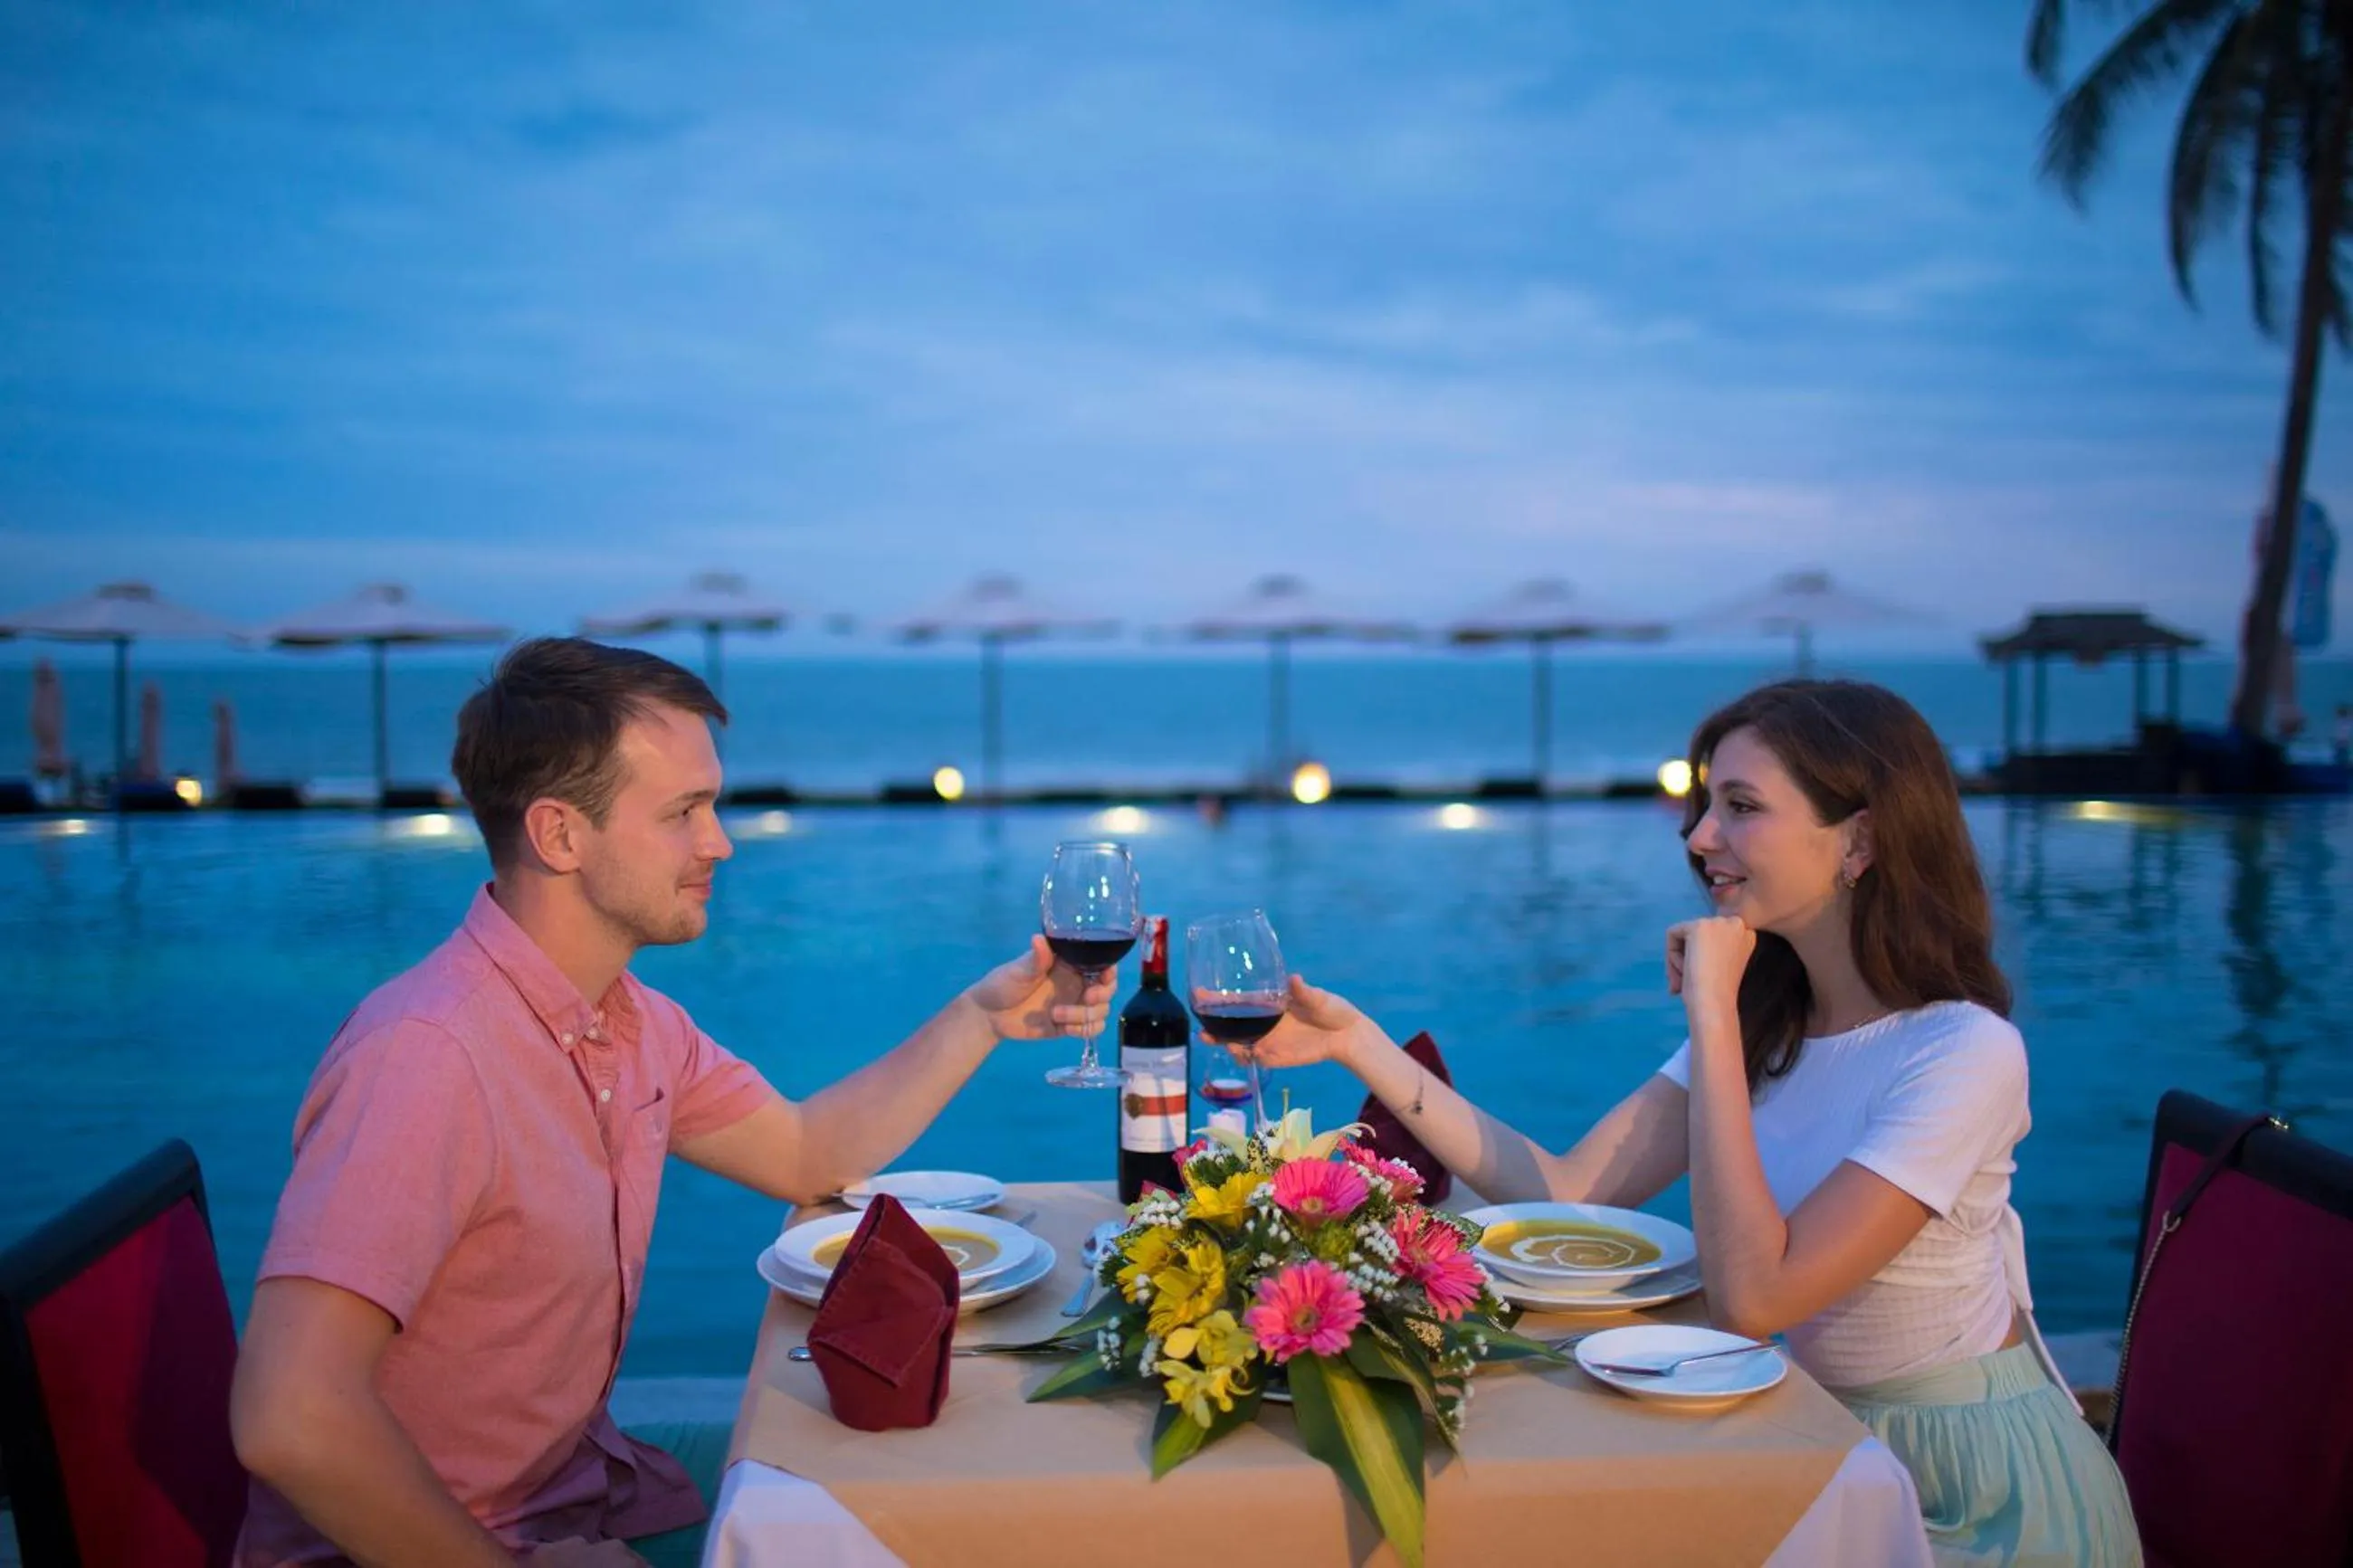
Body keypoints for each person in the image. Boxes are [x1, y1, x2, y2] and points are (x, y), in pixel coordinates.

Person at [229, 638, 1111, 1568]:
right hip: (446, 1541)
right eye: (684, 811)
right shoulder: (427, 1057)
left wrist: (978, 1017)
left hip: (581, 1493)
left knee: (919, 1514)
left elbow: (806, 1152)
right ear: (560, 835)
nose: (719, 840)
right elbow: (290, 1415)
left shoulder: (627, 1020)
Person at [1243, 679, 2139, 1566]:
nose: (1699, 837)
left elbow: (1755, 1299)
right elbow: (1569, 1189)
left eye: (1739, 806)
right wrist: (1356, 1042)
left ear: (1859, 838)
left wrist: (1712, 1009)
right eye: (1705, 806)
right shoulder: (1771, 1026)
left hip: (1967, 1491)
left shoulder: (1959, 1052)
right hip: (1820, 1440)